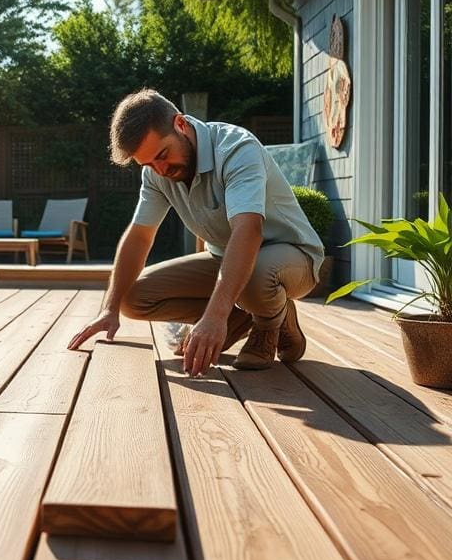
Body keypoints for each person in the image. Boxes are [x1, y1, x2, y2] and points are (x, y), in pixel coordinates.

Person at [68, 88, 324, 377]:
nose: (160, 169)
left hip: (292, 256)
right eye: (149, 163)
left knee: (256, 277)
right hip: (226, 259)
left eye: (162, 155)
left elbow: (248, 230)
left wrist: (215, 317)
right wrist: (109, 308)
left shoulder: (236, 148)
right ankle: (252, 313)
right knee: (133, 298)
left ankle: (269, 323)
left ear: (180, 124)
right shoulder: (155, 171)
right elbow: (139, 236)